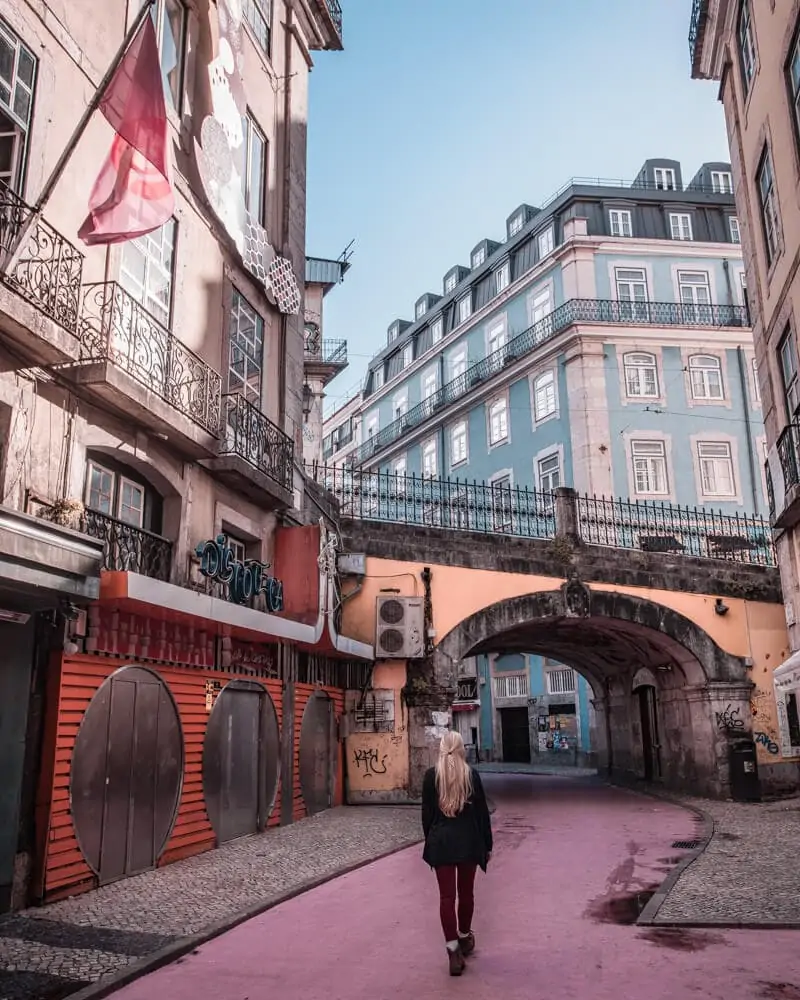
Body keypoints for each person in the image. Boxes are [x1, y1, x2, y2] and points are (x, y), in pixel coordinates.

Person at [421, 730, 493, 977]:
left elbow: (427, 817)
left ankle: (453, 952)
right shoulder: (471, 775)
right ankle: (464, 936)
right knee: (466, 894)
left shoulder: (432, 776)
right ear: (462, 748)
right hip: (469, 842)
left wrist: (431, 839)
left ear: (441, 748)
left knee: (446, 898)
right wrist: (488, 844)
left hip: (441, 842)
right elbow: (482, 814)